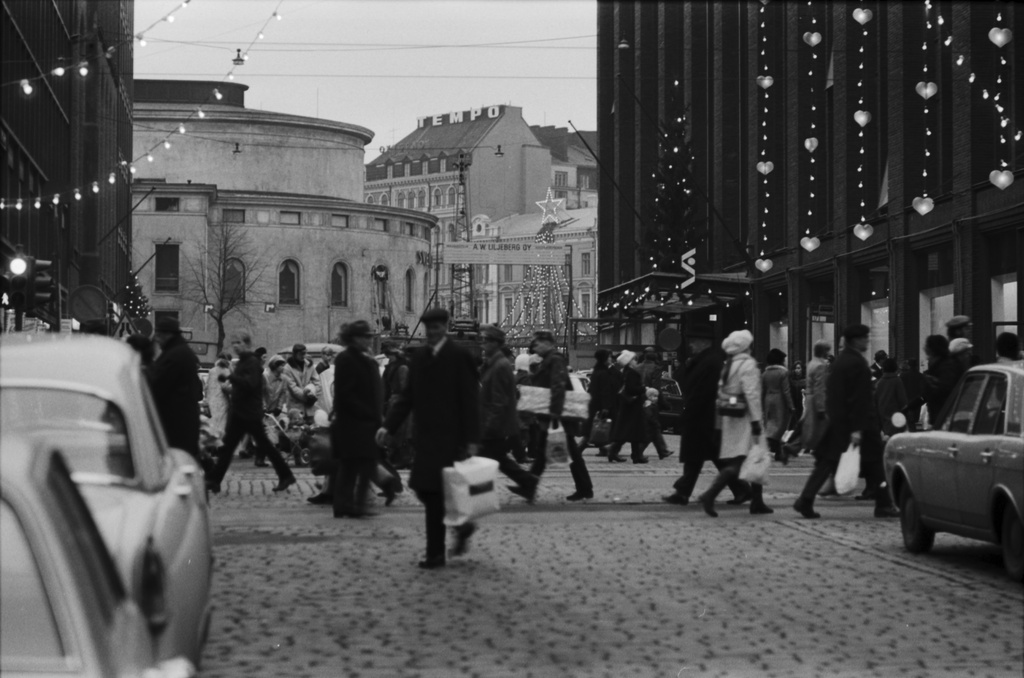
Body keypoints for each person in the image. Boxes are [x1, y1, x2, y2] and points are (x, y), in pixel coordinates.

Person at [378, 308, 480, 569]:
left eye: (437, 327)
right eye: (429, 328)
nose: (433, 332)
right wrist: (388, 426)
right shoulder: (420, 356)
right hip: (424, 436)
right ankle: (462, 524)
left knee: (434, 492)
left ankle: (435, 552)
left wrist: (470, 438)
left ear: (445, 327)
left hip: (451, 437)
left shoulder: (459, 356)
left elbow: (470, 400)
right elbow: (407, 397)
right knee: (424, 489)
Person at [793, 324, 899, 519]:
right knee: (876, 463)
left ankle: (805, 499)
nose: (867, 340)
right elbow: (860, 399)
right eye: (864, 337)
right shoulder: (857, 364)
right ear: (855, 340)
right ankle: (884, 503)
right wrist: (858, 429)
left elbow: (835, 396)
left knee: (827, 462)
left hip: (840, 423)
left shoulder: (841, 363)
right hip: (859, 425)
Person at [663, 338, 749, 506]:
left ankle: (742, 490)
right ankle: (684, 492)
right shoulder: (705, 361)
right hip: (704, 417)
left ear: (704, 342)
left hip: (705, 418)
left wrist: (689, 413)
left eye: (694, 341)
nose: (691, 344)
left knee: (705, 456)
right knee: (700, 457)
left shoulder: (710, 363)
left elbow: (703, 391)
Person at [207, 331, 297, 494]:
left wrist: (231, 379)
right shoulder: (242, 362)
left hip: (249, 413)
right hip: (241, 412)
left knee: (265, 446)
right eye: (233, 343)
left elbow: (250, 384)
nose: (235, 346)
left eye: (239, 342)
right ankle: (214, 480)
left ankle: (286, 475)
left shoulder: (252, 363)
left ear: (247, 344)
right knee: (228, 448)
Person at [697, 330, 773, 516]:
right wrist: (756, 421)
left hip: (730, 419)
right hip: (747, 419)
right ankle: (711, 493)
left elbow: (721, 396)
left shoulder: (728, 366)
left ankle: (757, 501)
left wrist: (718, 424)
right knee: (747, 459)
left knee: (751, 457)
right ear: (747, 347)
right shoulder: (748, 366)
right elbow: (752, 395)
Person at [527, 330, 595, 499]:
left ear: (548, 343)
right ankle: (528, 486)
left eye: (537, 343)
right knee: (545, 453)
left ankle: (585, 488)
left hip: (557, 415)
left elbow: (558, 386)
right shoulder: (549, 360)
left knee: (569, 453)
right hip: (553, 414)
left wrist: (555, 413)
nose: (535, 347)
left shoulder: (555, 360)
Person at [478, 325, 540, 503]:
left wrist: (489, 426)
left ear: (496, 343)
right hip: (497, 422)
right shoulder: (493, 364)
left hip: (497, 424)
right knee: (498, 459)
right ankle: (528, 482)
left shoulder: (500, 365)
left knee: (487, 458)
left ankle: (478, 494)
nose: (483, 344)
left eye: (486, 340)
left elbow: (499, 401)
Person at [331, 321, 385, 518]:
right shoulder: (346, 359)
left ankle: (350, 505)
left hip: (365, 421)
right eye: (365, 337)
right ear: (355, 339)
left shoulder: (365, 358)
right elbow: (345, 393)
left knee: (359, 464)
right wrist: (367, 412)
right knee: (354, 464)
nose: (369, 340)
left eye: (370, 336)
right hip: (354, 422)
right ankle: (349, 505)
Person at [148, 318, 202, 458]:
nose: (157, 340)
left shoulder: (175, 355)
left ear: (168, 335)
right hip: (181, 419)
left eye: (159, 336)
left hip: (176, 420)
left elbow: (159, 385)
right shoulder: (179, 352)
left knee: (178, 459)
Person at [606, 350, 648, 464]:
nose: (636, 361)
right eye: (634, 359)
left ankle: (636, 455)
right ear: (629, 362)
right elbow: (631, 388)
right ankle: (615, 451)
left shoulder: (627, 371)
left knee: (633, 432)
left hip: (629, 406)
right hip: (632, 406)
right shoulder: (631, 373)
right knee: (628, 432)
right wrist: (644, 389)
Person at [578, 349, 616, 454]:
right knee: (596, 430)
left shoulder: (597, 371)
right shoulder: (603, 373)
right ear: (604, 359)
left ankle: (607, 451)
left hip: (594, 406)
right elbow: (604, 392)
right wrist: (605, 407)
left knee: (595, 430)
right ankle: (576, 452)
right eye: (608, 357)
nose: (610, 359)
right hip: (599, 407)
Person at [761, 348, 794, 465]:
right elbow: (786, 390)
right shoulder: (783, 372)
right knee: (780, 427)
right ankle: (774, 447)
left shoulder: (765, 373)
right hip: (780, 400)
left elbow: (763, 390)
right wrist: (791, 405)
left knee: (770, 424)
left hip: (768, 400)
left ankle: (777, 450)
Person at [921, 334, 961, 424]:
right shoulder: (937, 365)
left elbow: (945, 390)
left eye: (927, 346)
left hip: (944, 418)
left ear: (933, 350)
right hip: (940, 417)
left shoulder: (945, 367)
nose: (924, 349)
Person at [802, 341, 831, 455]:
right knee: (821, 426)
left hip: (810, 397)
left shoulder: (811, 363)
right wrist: (821, 407)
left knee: (811, 426)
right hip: (816, 399)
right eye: (827, 350)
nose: (828, 353)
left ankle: (808, 446)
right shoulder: (821, 365)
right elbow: (819, 388)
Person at [259, 356, 289, 468]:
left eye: (283, 365)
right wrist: (263, 406)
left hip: (274, 410)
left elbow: (283, 393)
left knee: (275, 432)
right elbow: (261, 393)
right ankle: (261, 458)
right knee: (265, 434)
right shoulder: (265, 377)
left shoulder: (284, 379)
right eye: (281, 365)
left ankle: (270, 456)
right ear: (274, 366)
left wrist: (279, 407)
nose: (283, 367)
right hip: (264, 410)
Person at [282, 343, 320, 421]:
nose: (304, 356)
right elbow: (293, 388)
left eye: (305, 353)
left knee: (311, 430)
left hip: (310, 407)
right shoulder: (287, 368)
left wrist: (313, 393)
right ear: (295, 354)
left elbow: (317, 382)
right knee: (297, 430)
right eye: (301, 354)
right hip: (295, 407)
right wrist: (307, 397)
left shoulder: (309, 365)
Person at [875, 358, 907, 440]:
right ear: (895, 368)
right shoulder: (897, 381)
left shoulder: (879, 383)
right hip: (896, 421)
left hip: (883, 422)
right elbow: (902, 402)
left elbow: (875, 402)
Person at [205, 352, 233, 439]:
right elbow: (226, 388)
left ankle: (210, 447)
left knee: (212, 424)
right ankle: (218, 447)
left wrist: (207, 399)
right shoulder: (228, 371)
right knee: (221, 426)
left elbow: (206, 387)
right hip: (222, 402)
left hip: (211, 402)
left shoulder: (212, 371)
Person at [898, 358, 925, 430]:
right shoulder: (921, 376)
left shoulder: (903, 376)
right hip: (917, 402)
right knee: (915, 421)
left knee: (908, 422)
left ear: (908, 365)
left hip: (906, 402)